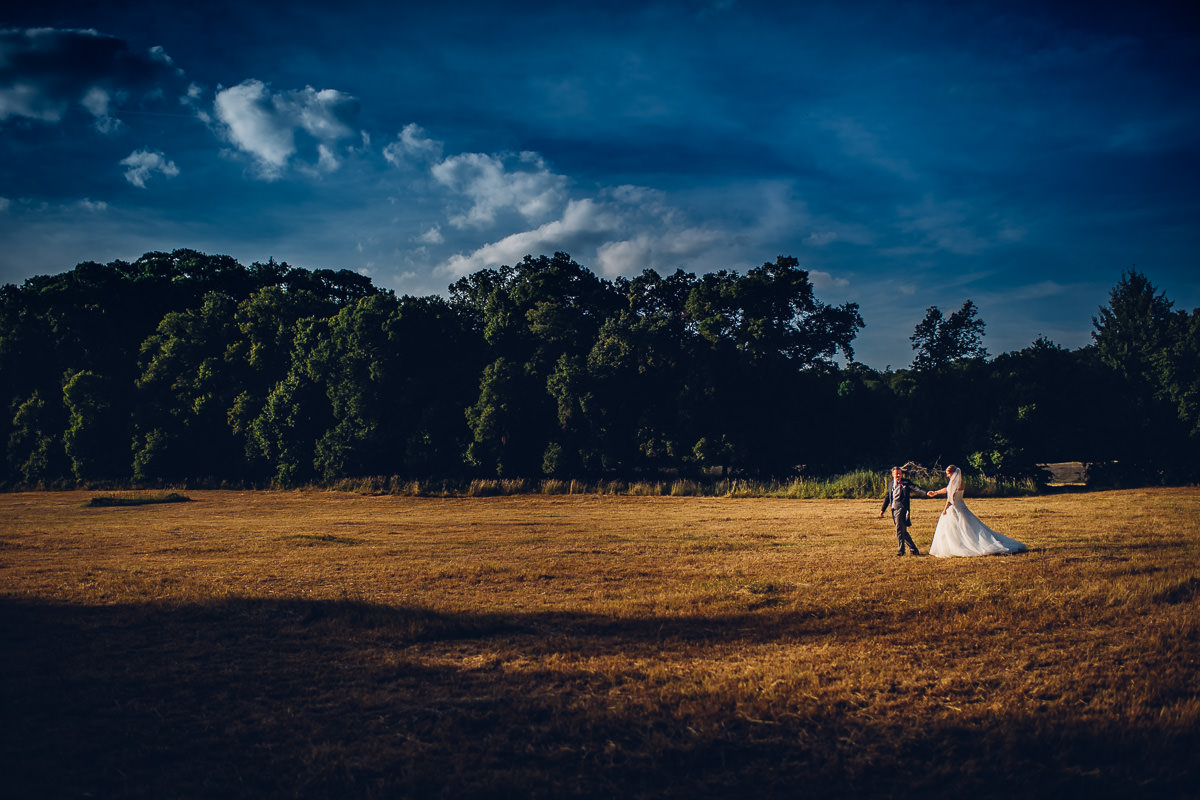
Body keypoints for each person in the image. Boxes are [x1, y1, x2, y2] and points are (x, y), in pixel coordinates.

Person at [927, 465, 1027, 557]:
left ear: (952, 473)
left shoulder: (953, 483)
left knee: (954, 528)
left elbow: (950, 498)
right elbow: (947, 489)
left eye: (948, 474)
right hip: (962, 507)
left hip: (955, 507)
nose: (947, 476)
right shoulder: (961, 482)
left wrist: (945, 509)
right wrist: (936, 492)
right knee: (968, 527)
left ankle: (958, 546)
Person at [878, 466, 928, 556]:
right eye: (896, 474)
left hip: (902, 508)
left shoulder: (906, 482)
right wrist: (882, 510)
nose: (898, 475)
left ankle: (901, 551)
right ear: (892, 474)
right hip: (893, 509)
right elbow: (887, 497)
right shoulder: (890, 484)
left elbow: (915, 488)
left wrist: (926, 492)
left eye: (900, 473)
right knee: (902, 531)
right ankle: (914, 550)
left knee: (899, 530)